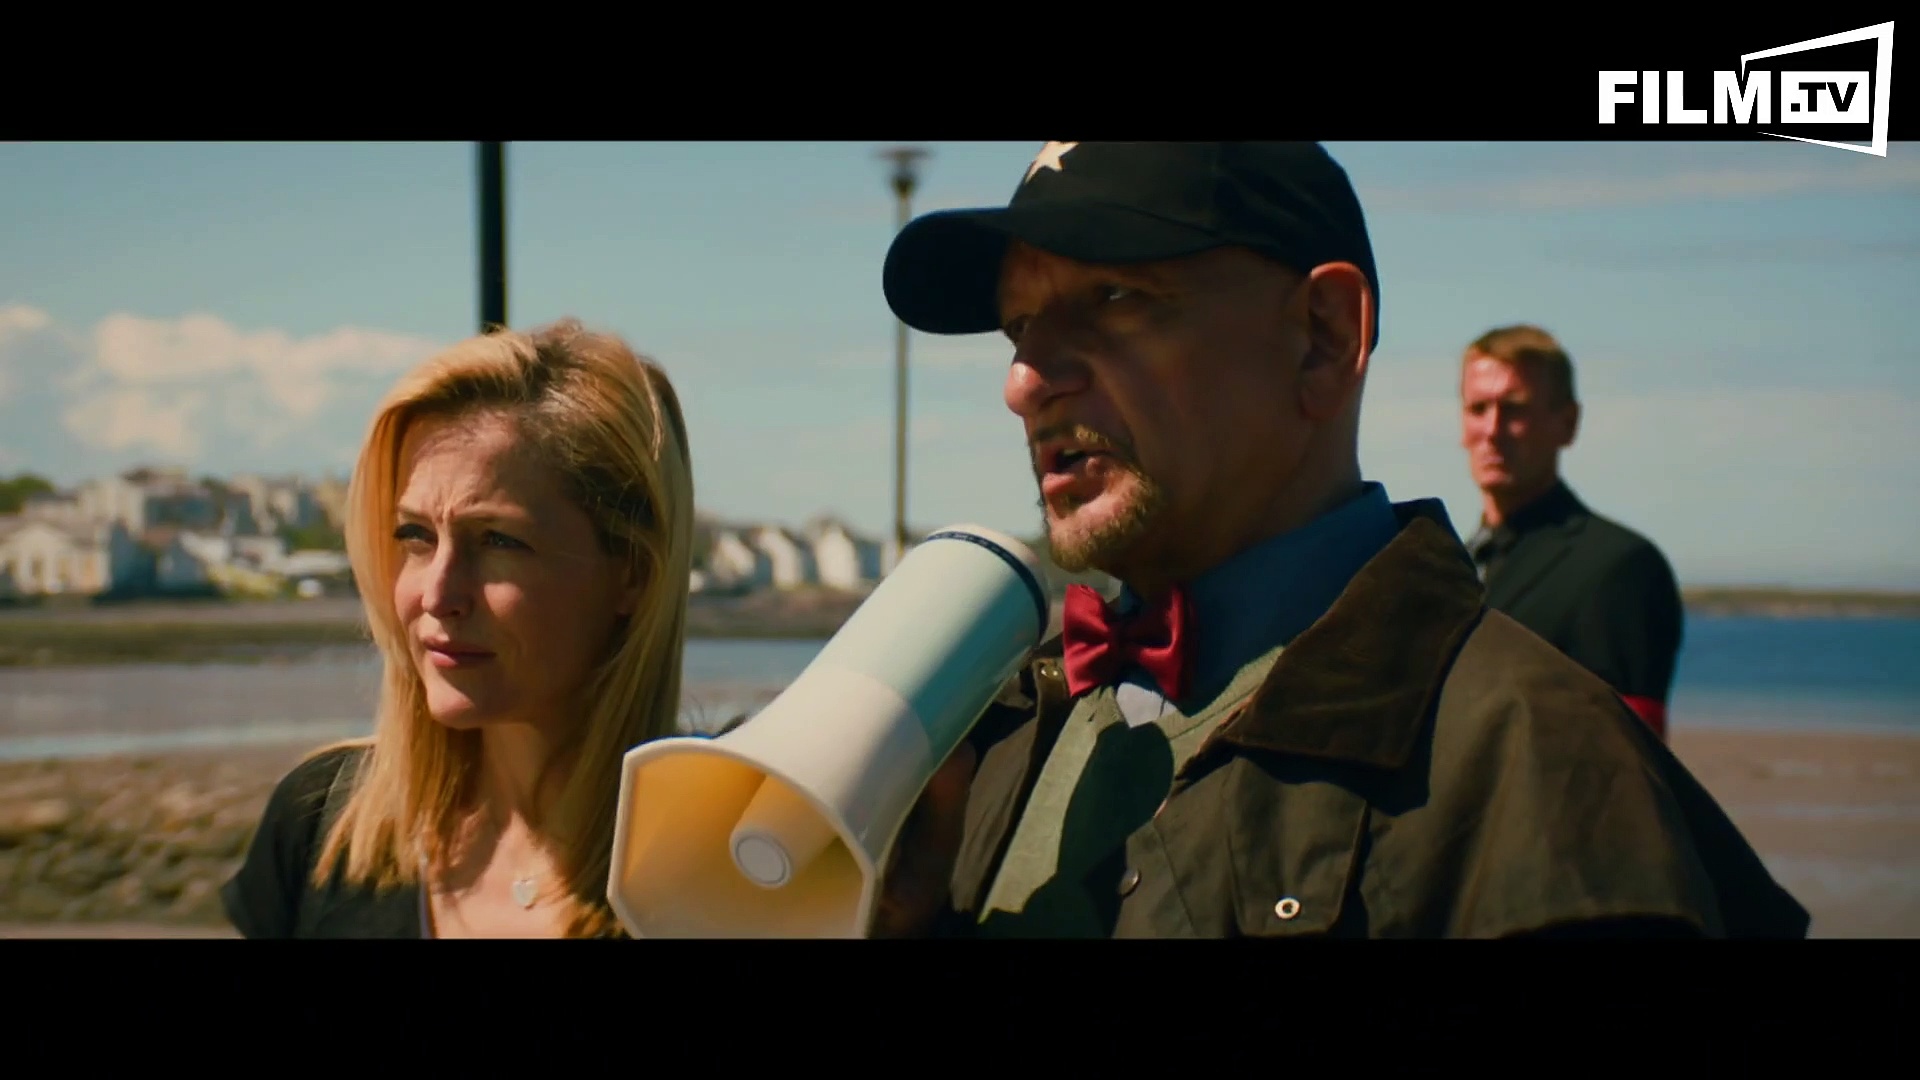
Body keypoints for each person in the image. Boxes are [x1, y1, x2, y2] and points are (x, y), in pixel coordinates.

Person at [869, 141, 1809, 939]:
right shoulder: (983, 741)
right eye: (1019, 325)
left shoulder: (1538, 768)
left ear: (1322, 336)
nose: (1023, 382)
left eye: (1113, 296)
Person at [220, 317, 696, 938]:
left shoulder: (725, 872)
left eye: (498, 540)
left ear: (632, 572)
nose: (438, 595)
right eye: (416, 536)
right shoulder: (320, 828)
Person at [1459, 324, 1685, 741]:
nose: (1492, 429)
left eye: (1515, 409)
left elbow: (1629, 759)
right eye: (1478, 408)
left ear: (1568, 423)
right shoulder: (1453, 566)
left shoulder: (1618, 567)